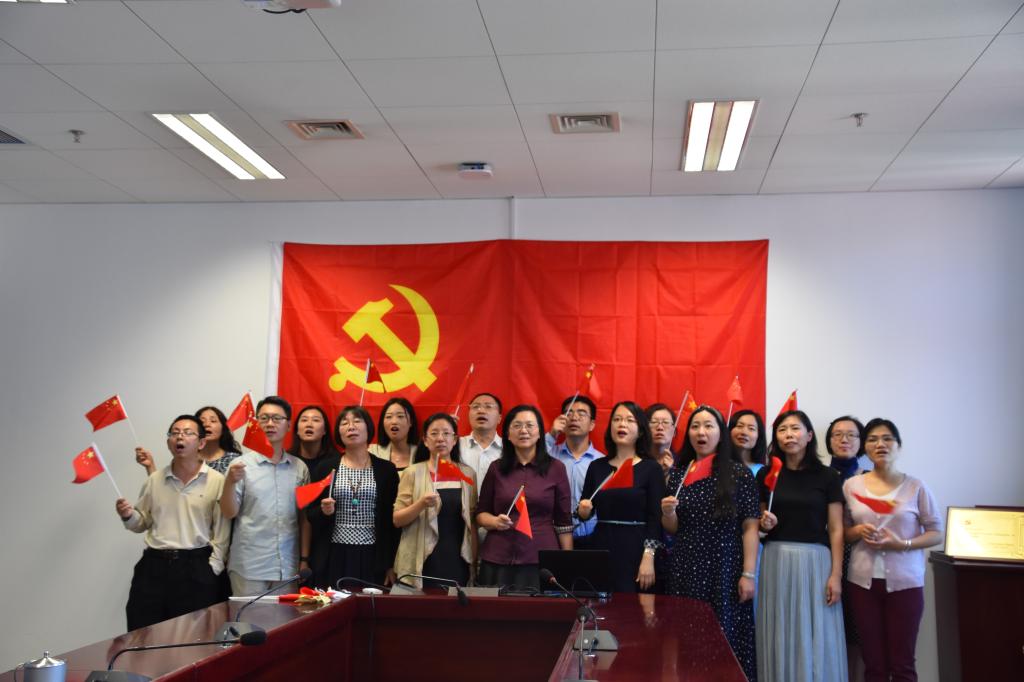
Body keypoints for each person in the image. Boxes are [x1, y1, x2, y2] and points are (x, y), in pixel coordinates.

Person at [661, 405, 759, 681]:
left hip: (724, 566)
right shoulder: (679, 474)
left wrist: (748, 574)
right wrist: (667, 513)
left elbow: (750, 527)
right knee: (686, 637)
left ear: (721, 433)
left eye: (708, 426)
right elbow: (673, 527)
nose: (701, 432)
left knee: (725, 636)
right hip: (685, 566)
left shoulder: (739, 473)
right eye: (695, 426)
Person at [843, 418, 942, 682]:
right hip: (862, 584)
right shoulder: (852, 486)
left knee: (902, 663)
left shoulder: (916, 487)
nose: (880, 444)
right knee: (873, 662)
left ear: (898, 445)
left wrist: (903, 544)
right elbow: (844, 532)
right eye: (873, 439)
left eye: (887, 438)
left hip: (906, 584)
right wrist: (858, 531)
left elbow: (936, 532)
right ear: (865, 447)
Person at [756, 410, 847, 682]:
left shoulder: (828, 476)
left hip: (815, 562)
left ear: (809, 436)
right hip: (775, 560)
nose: (789, 435)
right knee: (780, 628)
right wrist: (765, 524)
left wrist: (836, 574)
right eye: (782, 430)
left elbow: (836, 529)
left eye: (795, 429)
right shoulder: (767, 474)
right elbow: (760, 524)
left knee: (815, 629)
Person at [116, 415, 228, 630]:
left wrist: (213, 567)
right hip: (154, 566)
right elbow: (142, 522)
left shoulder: (216, 480)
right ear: (169, 442)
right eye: (174, 433)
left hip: (196, 565)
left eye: (187, 433)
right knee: (143, 632)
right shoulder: (154, 480)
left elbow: (222, 531)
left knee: (194, 636)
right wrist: (128, 515)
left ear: (201, 443)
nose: (180, 437)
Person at [476, 404, 573, 591]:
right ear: (508, 434)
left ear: (540, 433)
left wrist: (567, 562)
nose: (524, 431)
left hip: (540, 558)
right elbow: (481, 514)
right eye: (517, 425)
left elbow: (564, 522)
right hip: (498, 557)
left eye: (529, 425)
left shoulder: (556, 468)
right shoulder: (496, 468)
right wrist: (494, 522)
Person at [220, 396, 310, 597]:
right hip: (249, 566)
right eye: (264, 418)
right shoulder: (240, 466)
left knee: (285, 618)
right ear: (256, 423)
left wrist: (304, 559)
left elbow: (303, 518)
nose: (270, 423)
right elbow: (228, 512)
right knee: (247, 618)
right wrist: (230, 482)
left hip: (287, 566)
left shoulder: (299, 468)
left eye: (277, 418)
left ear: (288, 425)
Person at [307, 405, 400, 589]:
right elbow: (310, 514)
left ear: (369, 429)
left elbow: (392, 522)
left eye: (357, 421)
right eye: (344, 423)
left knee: (370, 604)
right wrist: (324, 511)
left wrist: (390, 563)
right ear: (338, 432)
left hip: (373, 556)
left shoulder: (386, 470)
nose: (351, 427)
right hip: (334, 554)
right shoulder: (325, 468)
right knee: (335, 604)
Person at [578, 401, 665, 593]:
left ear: (640, 431)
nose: (622, 424)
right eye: (617, 419)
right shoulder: (597, 466)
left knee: (632, 605)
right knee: (601, 602)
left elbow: (656, 517)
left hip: (636, 547)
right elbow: (585, 511)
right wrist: (583, 510)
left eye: (629, 420)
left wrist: (649, 555)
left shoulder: (651, 468)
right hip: (601, 545)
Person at [393, 413, 478, 588]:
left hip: (458, 555)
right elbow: (398, 519)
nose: (440, 438)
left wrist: (475, 559)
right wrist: (421, 504)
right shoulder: (412, 472)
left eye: (446, 433)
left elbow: (472, 522)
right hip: (421, 556)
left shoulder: (468, 474)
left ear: (455, 440)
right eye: (434, 433)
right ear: (425, 440)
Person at [826, 414, 868, 680]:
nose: (844, 440)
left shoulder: (870, 479)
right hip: (823, 557)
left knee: (857, 631)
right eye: (838, 434)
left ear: (861, 441)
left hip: (858, 560)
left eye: (851, 435)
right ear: (828, 440)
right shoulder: (818, 476)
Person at [288, 405, 338, 583]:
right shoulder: (287, 461)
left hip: (325, 539)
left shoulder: (335, 464)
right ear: (296, 429)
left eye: (316, 420)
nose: (309, 424)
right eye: (304, 420)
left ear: (325, 430)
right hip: (291, 538)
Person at [547, 395, 603, 548]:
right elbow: (528, 461)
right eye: (569, 412)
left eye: (581, 413)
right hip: (553, 538)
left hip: (592, 538)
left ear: (592, 424)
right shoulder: (548, 455)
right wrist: (552, 435)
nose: (574, 417)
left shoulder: (602, 462)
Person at [135, 405, 241, 476]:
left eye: (213, 421)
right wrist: (150, 466)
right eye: (202, 421)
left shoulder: (235, 460)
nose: (207, 424)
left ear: (223, 428)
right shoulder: (186, 457)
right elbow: (165, 489)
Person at [458, 393, 503, 487]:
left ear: (499, 418)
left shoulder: (510, 448)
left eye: (488, 407)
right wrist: (446, 430)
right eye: (475, 407)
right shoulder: (455, 445)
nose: (481, 411)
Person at [369, 397, 418, 474]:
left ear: (411, 422)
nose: (394, 421)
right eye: (389, 417)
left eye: (400, 416)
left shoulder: (422, 454)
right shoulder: (373, 452)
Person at [729, 409, 767, 477]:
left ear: (759, 436)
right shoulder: (718, 464)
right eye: (739, 426)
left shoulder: (762, 471)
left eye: (751, 428)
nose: (744, 432)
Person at [647, 402, 678, 481]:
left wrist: (670, 473)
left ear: (674, 431)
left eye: (666, 422)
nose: (660, 427)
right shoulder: (636, 462)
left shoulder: (682, 463)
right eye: (654, 422)